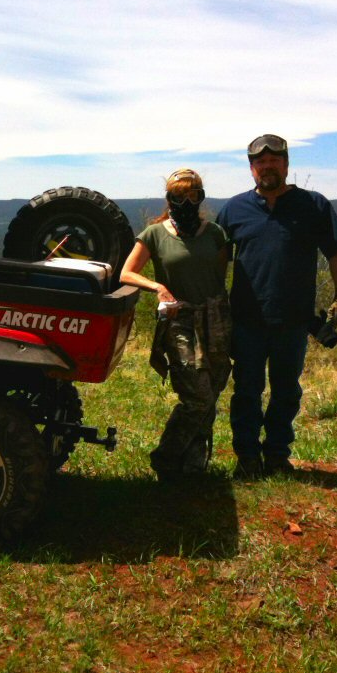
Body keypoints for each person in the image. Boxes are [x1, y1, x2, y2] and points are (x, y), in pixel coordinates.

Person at [216, 134, 337, 479]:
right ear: (251, 169)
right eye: (260, 163)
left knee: (286, 391)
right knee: (247, 391)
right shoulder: (233, 210)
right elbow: (218, 261)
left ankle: (276, 455)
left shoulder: (314, 205)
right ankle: (247, 456)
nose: (267, 167)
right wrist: (213, 304)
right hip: (246, 320)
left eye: (274, 162)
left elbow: (335, 253)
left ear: (286, 165)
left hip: (293, 321)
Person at [120, 168, 232, 483]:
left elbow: (219, 276)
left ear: (200, 197)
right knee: (198, 396)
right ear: (169, 198)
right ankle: (166, 457)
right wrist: (156, 287)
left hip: (215, 318)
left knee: (213, 387)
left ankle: (194, 463)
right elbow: (126, 273)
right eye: (178, 196)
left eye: (192, 195)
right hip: (179, 319)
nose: (185, 201)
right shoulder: (154, 233)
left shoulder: (215, 234)